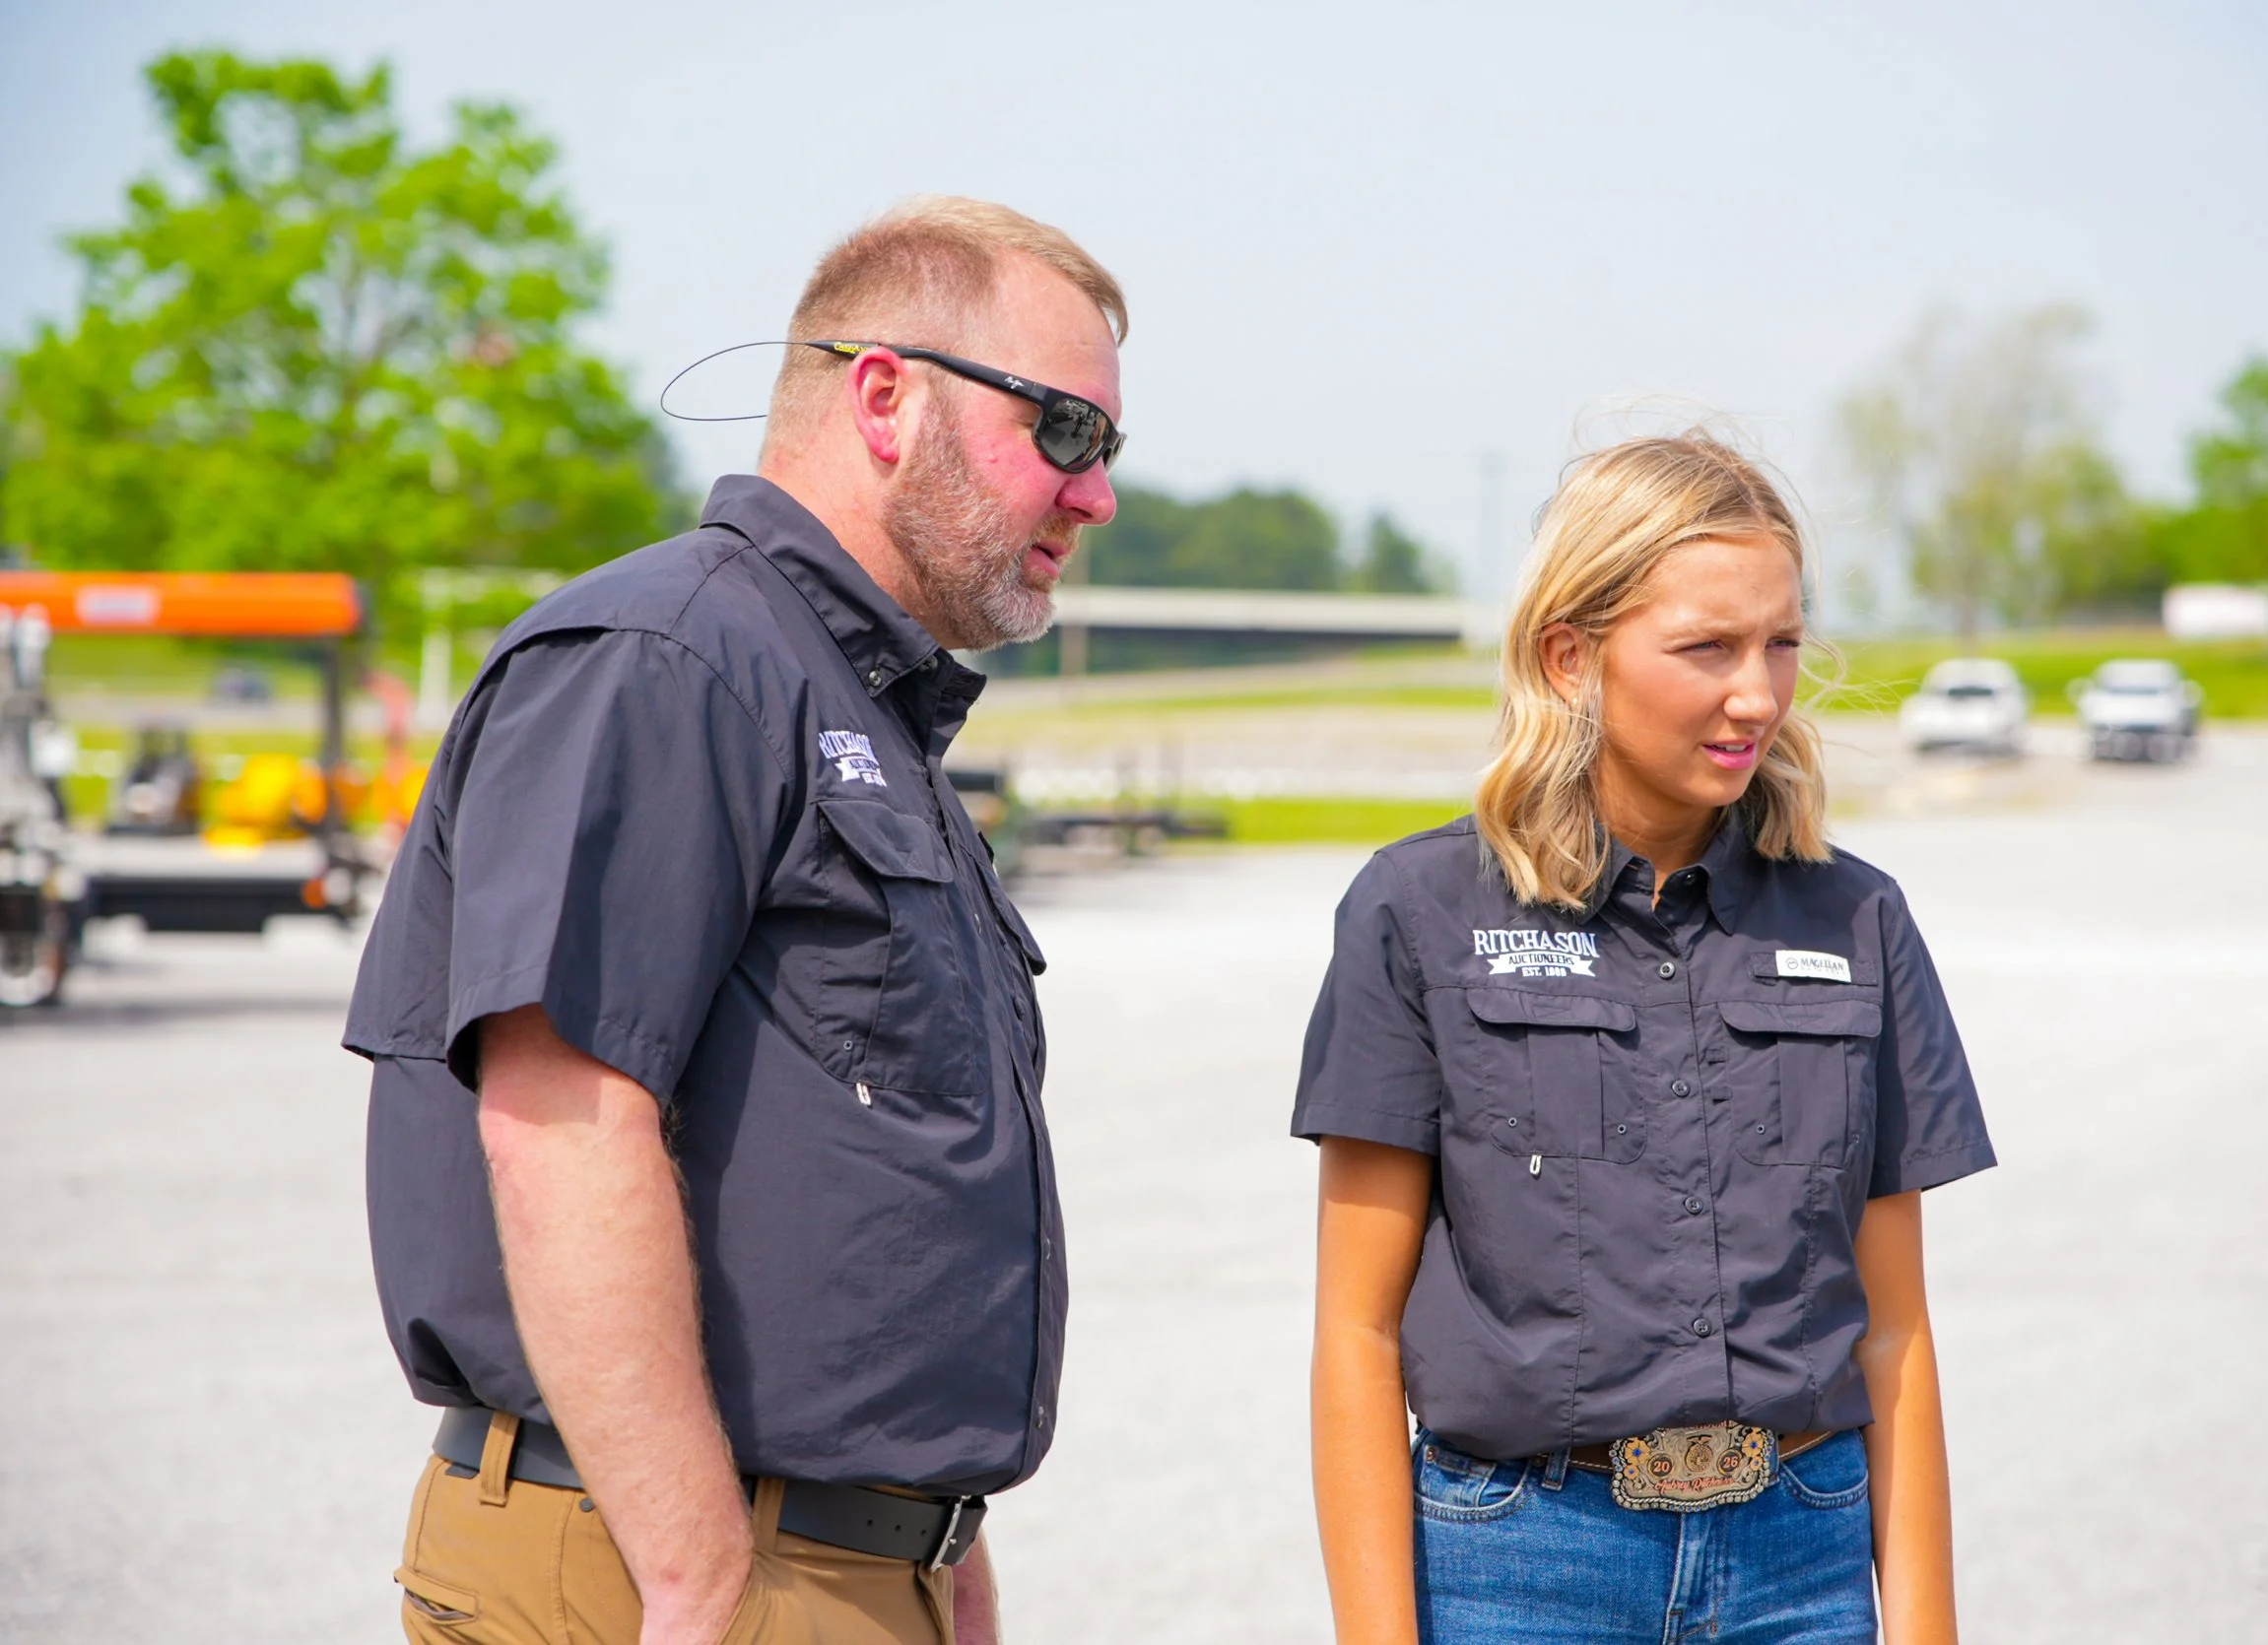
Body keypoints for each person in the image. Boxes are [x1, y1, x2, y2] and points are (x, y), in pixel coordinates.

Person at [343, 196, 1127, 1645]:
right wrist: (702, 1581)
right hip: (670, 1567)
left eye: (1108, 448)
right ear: (888, 397)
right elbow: (562, 1120)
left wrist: (938, 1560)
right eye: (1066, 433)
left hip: (826, 1564)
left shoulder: (853, 712)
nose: (1096, 495)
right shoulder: (673, 660)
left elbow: (875, 1199)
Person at [1294, 434, 1995, 1644]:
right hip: (1517, 1568)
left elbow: (1896, 1330)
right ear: (1571, 655)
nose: (1759, 695)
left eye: (1781, 643)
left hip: (1802, 1559)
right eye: (1706, 648)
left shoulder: (1858, 916)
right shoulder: (1417, 913)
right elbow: (1355, 1330)